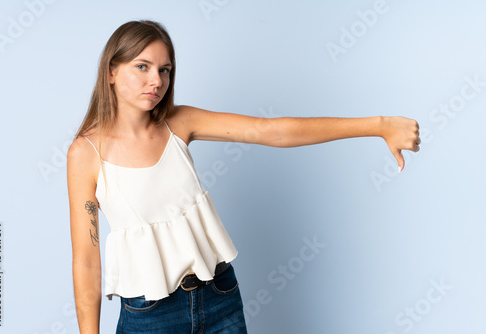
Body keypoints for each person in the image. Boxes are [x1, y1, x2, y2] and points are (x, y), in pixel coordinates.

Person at [67, 20, 420, 334]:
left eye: (165, 69)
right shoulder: (86, 153)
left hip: (219, 296)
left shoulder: (179, 123)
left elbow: (270, 131)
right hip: (150, 313)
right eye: (142, 67)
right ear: (111, 71)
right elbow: (86, 262)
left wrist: (378, 126)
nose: (156, 80)